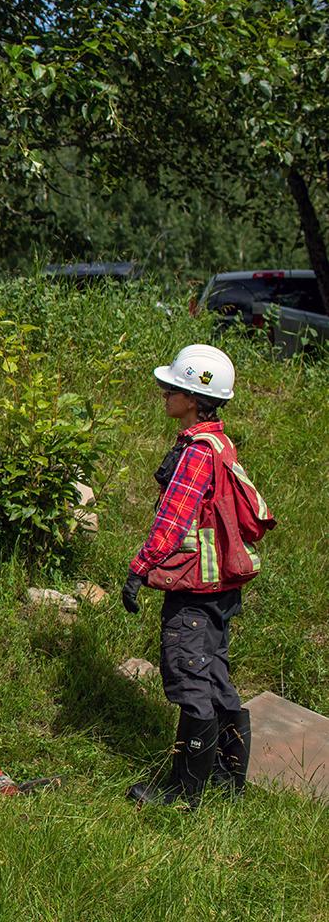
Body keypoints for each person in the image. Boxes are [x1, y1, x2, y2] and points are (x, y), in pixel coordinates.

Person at [121, 343, 274, 807]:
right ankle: (228, 779)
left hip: (195, 588)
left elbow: (172, 521)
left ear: (193, 398)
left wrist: (139, 570)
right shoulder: (219, 442)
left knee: (189, 680)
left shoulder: (195, 453)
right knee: (214, 676)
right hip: (221, 589)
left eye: (173, 388)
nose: (164, 394)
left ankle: (184, 791)